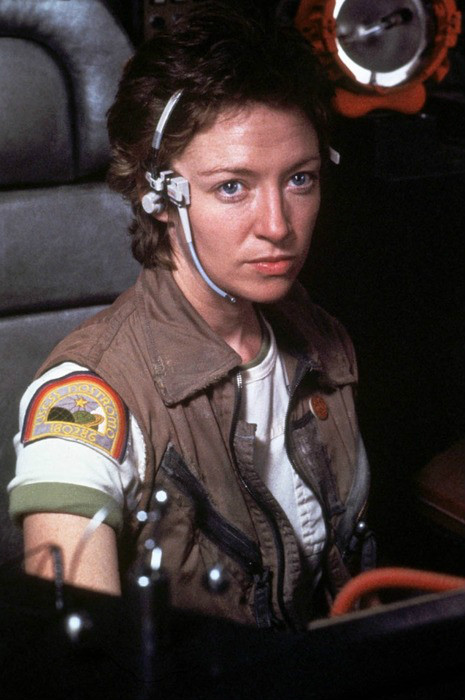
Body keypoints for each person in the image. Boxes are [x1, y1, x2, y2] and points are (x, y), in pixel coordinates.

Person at [8, 1, 373, 630]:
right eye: (232, 186)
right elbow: (79, 652)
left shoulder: (324, 342)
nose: (277, 226)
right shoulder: (87, 395)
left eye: (300, 180)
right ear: (157, 196)